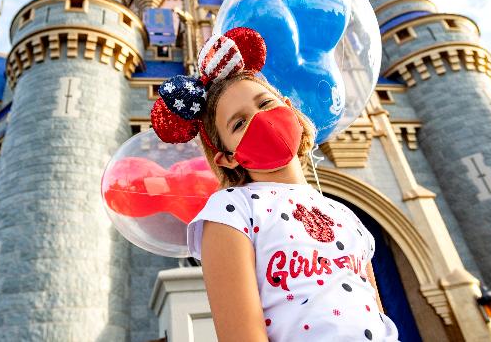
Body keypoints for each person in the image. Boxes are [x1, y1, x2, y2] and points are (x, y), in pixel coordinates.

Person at [150, 27, 400, 341]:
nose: (260, 119)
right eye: (239, 123)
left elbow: (374, 311)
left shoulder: (344, 214)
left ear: (289, 108)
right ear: (227, 158)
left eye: (265, 104)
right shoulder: (231, 210)